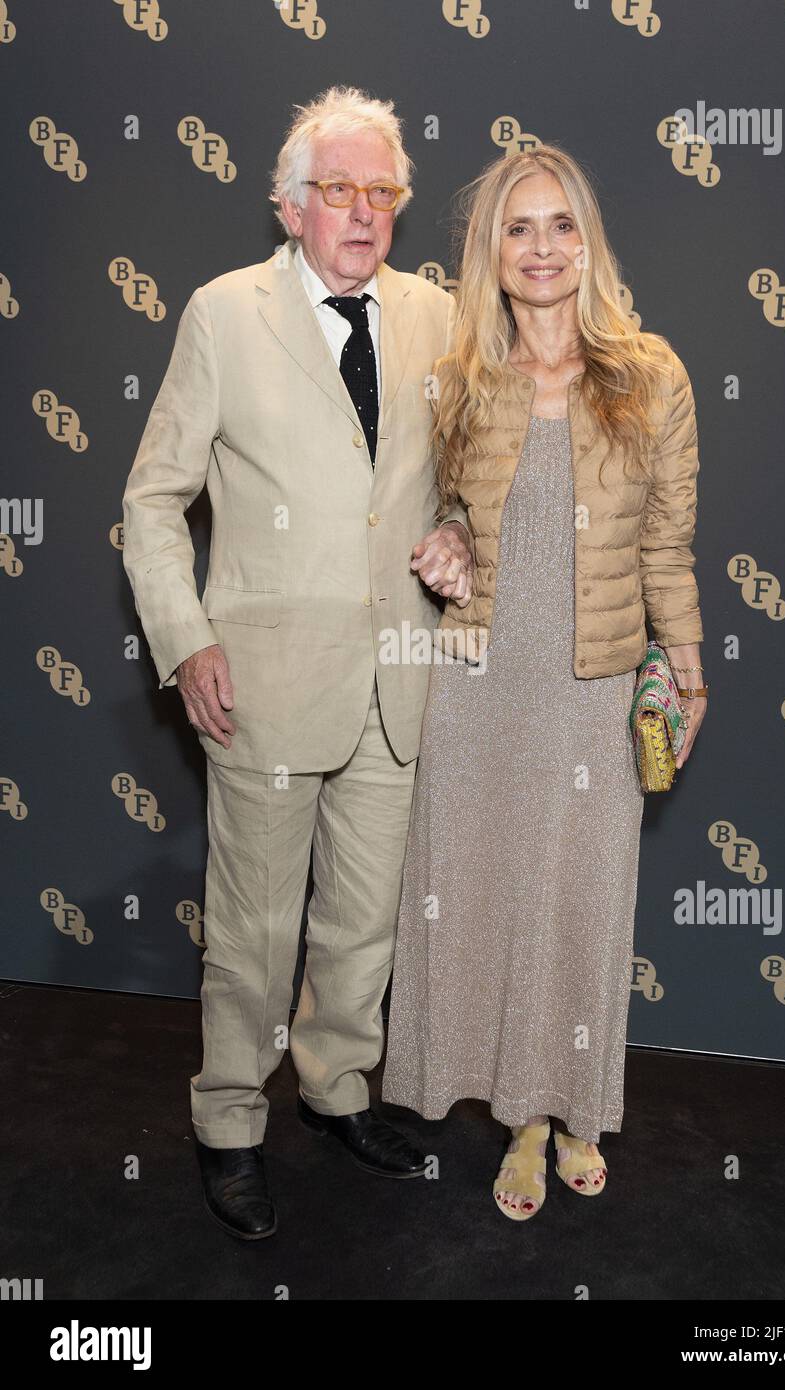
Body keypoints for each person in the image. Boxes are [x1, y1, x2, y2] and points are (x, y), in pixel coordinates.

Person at [121, 86, 474, 1240]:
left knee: (362, 925)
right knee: (255, 930)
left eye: (381, 191)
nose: (362, 212)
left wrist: (463, 530)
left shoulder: (436, 315)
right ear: (288, 205)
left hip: (396, 679)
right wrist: (186, 639)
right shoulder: (224, 315)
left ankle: (333, 1089)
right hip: (262, 685)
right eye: (337, 190)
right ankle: (228, 1120)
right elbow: (151, 499)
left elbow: (473, 471)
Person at [382, 143, 708, 1220]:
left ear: (588, 242)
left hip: (590, 684)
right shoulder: (460, 378)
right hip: (478, 681)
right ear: (489, 250)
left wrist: (689, 671)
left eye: (559, 224)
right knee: (486, 895)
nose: (540, 248)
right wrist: (444, 548)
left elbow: (668, 548)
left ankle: (572, 1104)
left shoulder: (650, 375)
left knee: (577, 899)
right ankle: (520, 1116)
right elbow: (440, 517)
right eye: (516, 228)